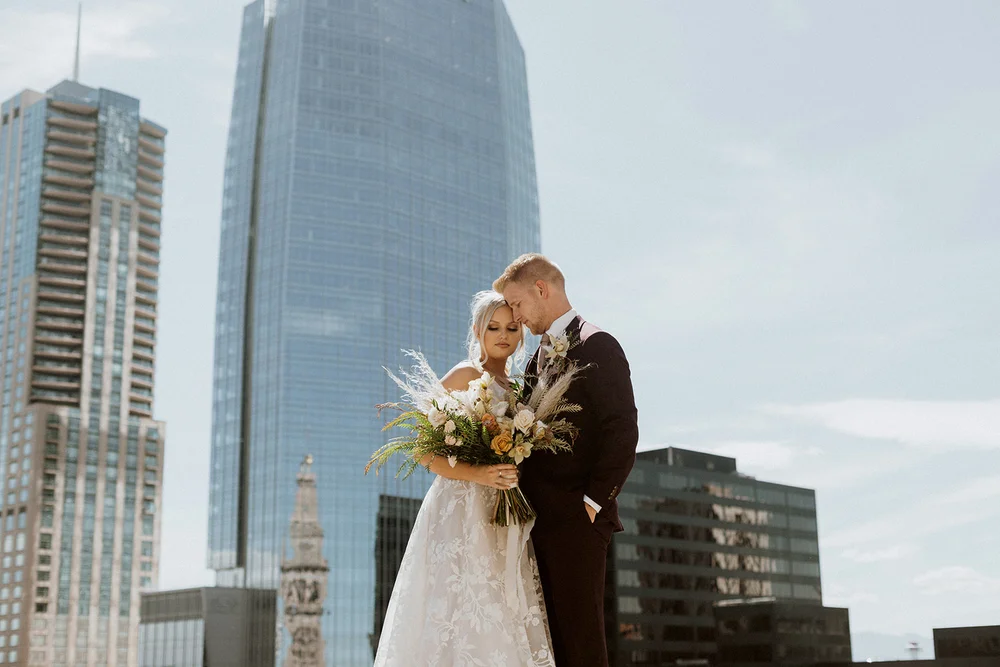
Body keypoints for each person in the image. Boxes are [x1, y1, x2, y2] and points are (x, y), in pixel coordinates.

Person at [373, 290, 555, 667]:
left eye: (511, 327)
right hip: (461, 511)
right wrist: (480, 473)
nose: (502, 334)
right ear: (477, 330)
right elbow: (422, 450)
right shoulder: (464, 374)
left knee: (500, 604)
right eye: (493, 327)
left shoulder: (522, 389)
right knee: (457, 604)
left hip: (504, 514)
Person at [496, 253, 639, 667]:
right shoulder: (531, 362)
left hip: (578, 522)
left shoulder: (599, 345)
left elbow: (622, 430)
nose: (516, 315)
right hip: (536, 523)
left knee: (582, 642)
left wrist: (594, 503)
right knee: (550, 643)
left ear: (541, 289)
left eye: (518, 304)